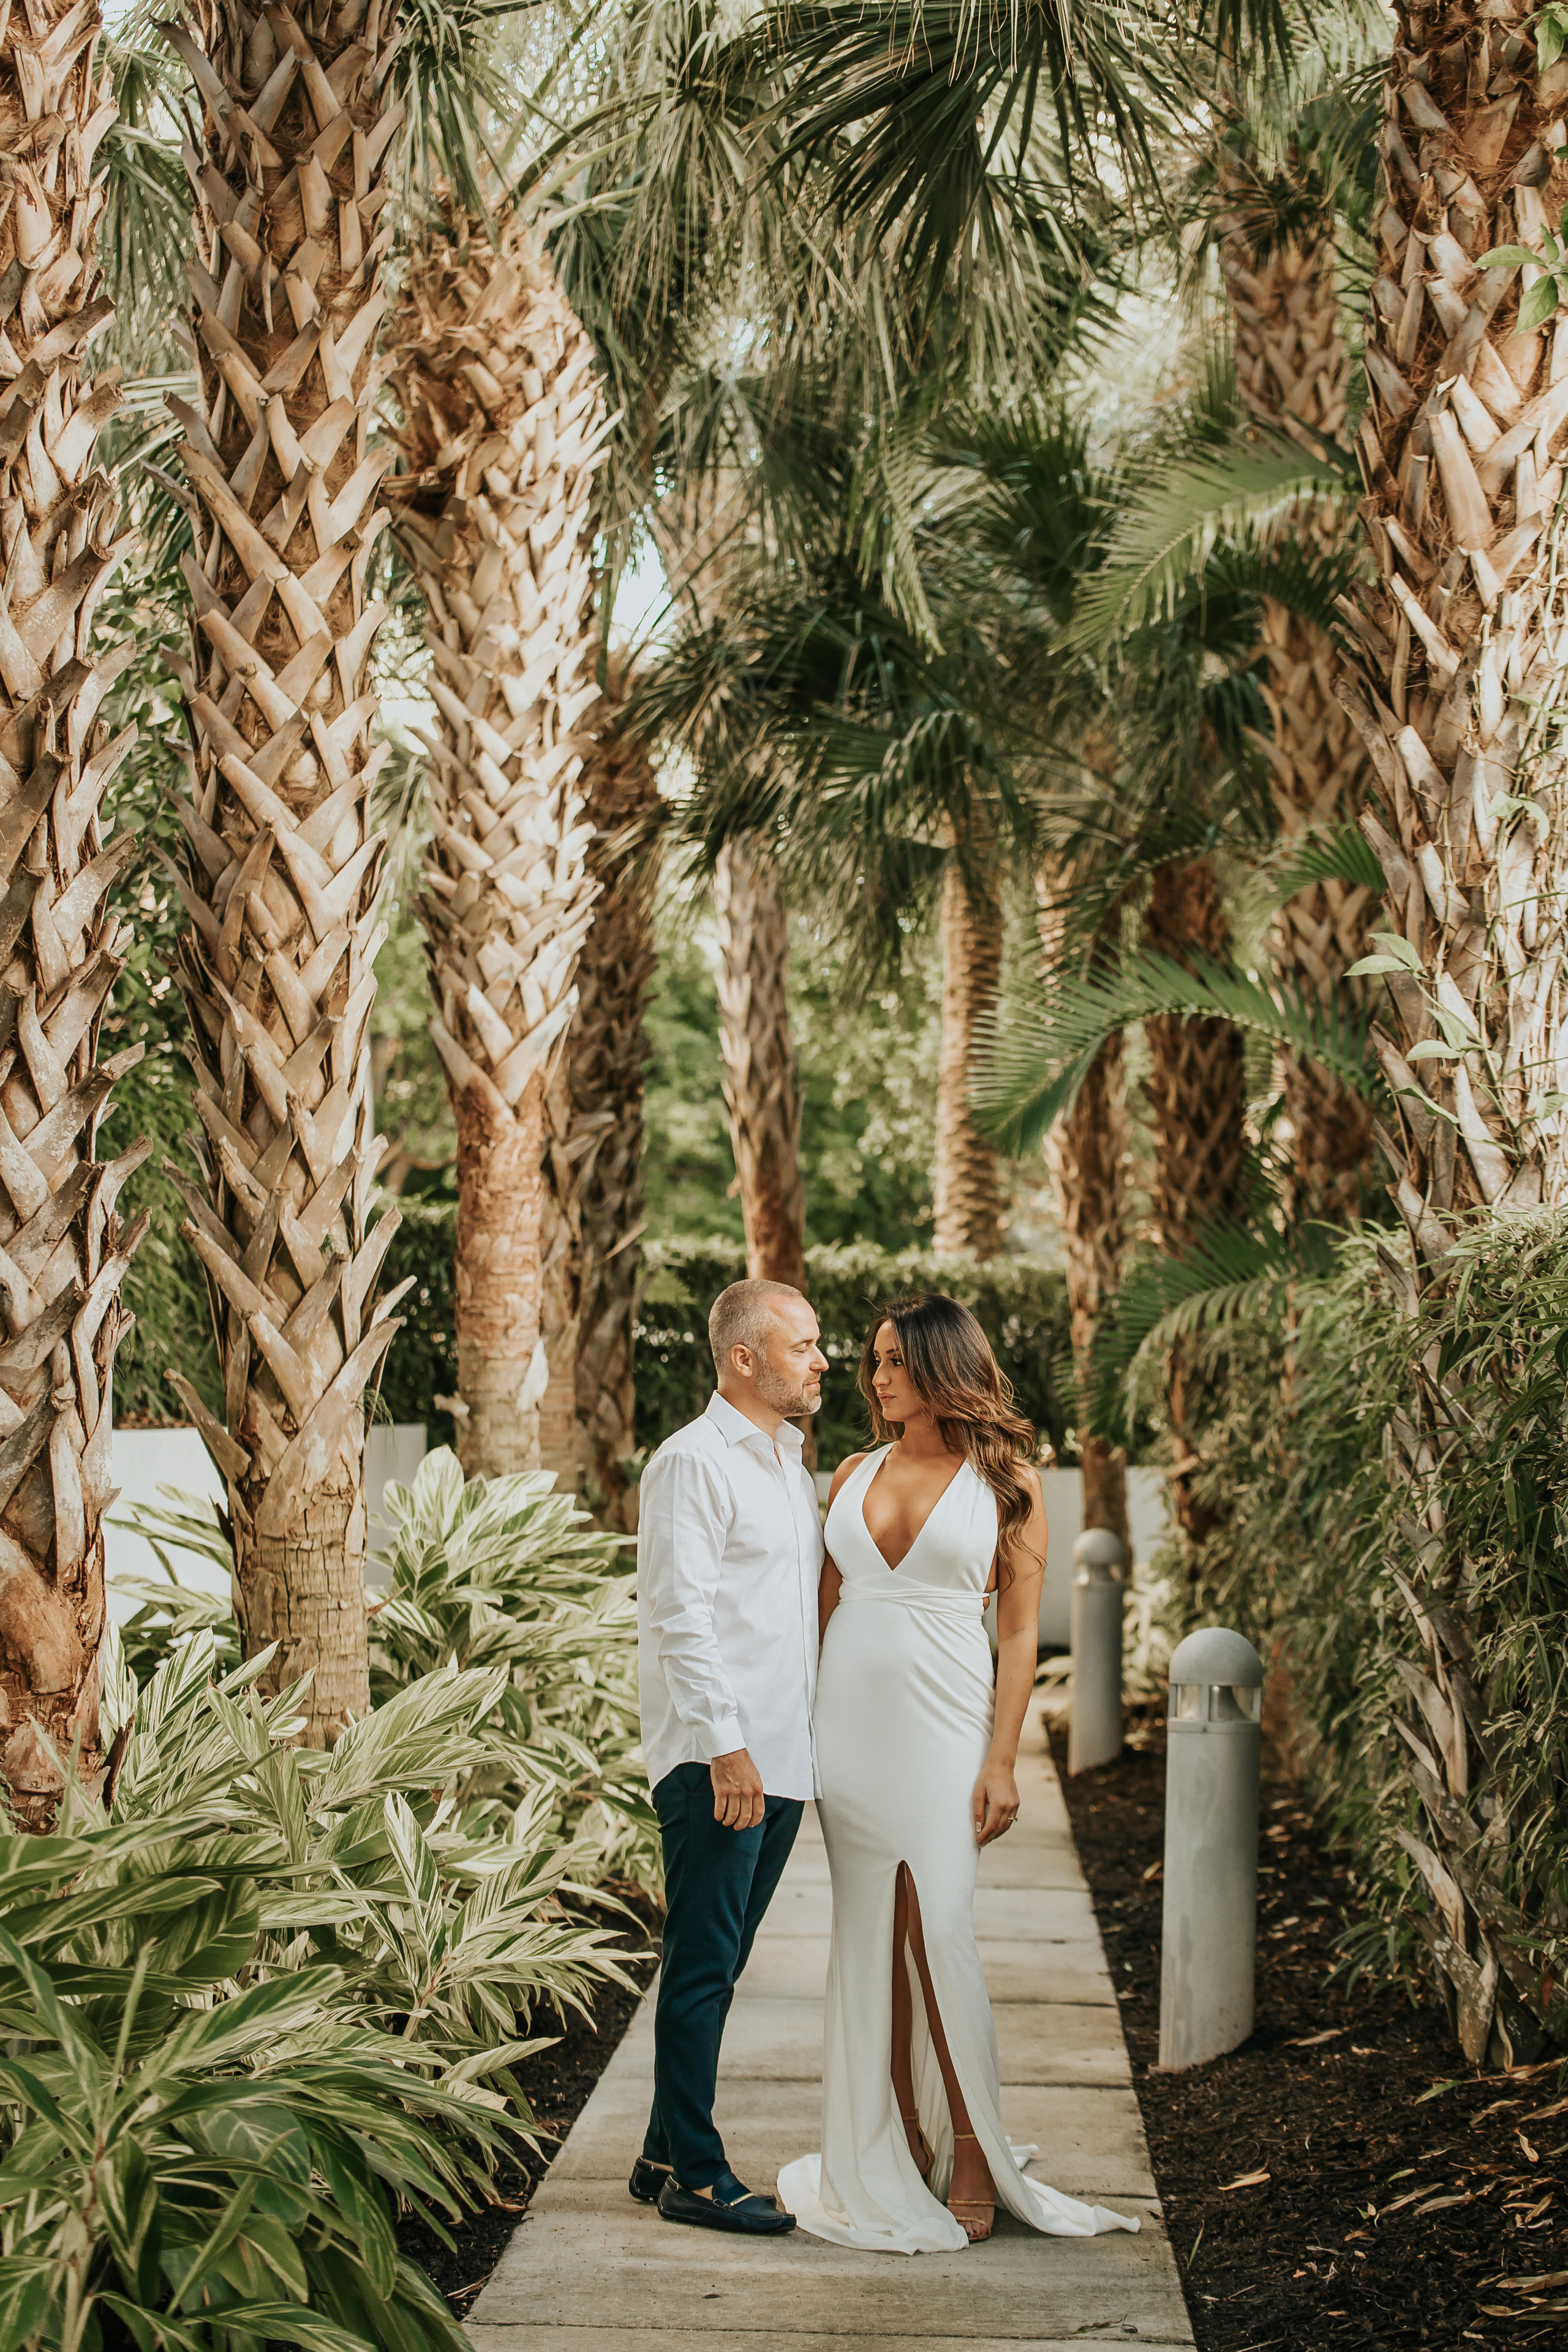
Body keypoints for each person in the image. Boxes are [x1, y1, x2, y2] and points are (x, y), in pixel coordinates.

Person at [777, 1294, 1141, 2255]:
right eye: (874, 1360)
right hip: (846, 1735)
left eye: (896, 1360)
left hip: (943, 1729)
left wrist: (1002, 1759)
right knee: (872, 1944)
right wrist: (793, 1739)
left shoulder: (1009, 1482)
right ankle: (897, 2146)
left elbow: (1019, 1637)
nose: (876, 1376)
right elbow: (818, 1616)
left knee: (941, 1935)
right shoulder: (851, 1471)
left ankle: (975, 2151)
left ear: (943, 1367)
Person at [631, 1277, 828, 2235]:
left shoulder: (788, 1463)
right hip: (723, 1762)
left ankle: (663, 2147)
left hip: (783, 1758)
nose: (821, 1360)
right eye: (803, 1345)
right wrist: (727, 1751)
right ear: (744, 1359)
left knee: (724, 1958)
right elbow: (681, 1618)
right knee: (703, 1964)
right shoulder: (693, 1463)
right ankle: (698, 2178)